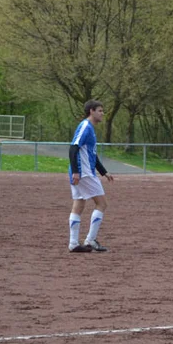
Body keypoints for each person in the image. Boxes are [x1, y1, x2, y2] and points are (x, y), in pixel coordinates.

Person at [67, 100, 114, 253]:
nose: (102, 113)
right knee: (102, 203)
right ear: (91, 111)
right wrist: (76, 171)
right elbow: (73, 148)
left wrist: (104, 171)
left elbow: (91, 155)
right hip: (84, 173)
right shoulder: (86, 127)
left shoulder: (90, 129)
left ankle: (74, 243)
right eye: (100, 110)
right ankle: (90, 240)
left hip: (83, 172)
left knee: (79, 204)